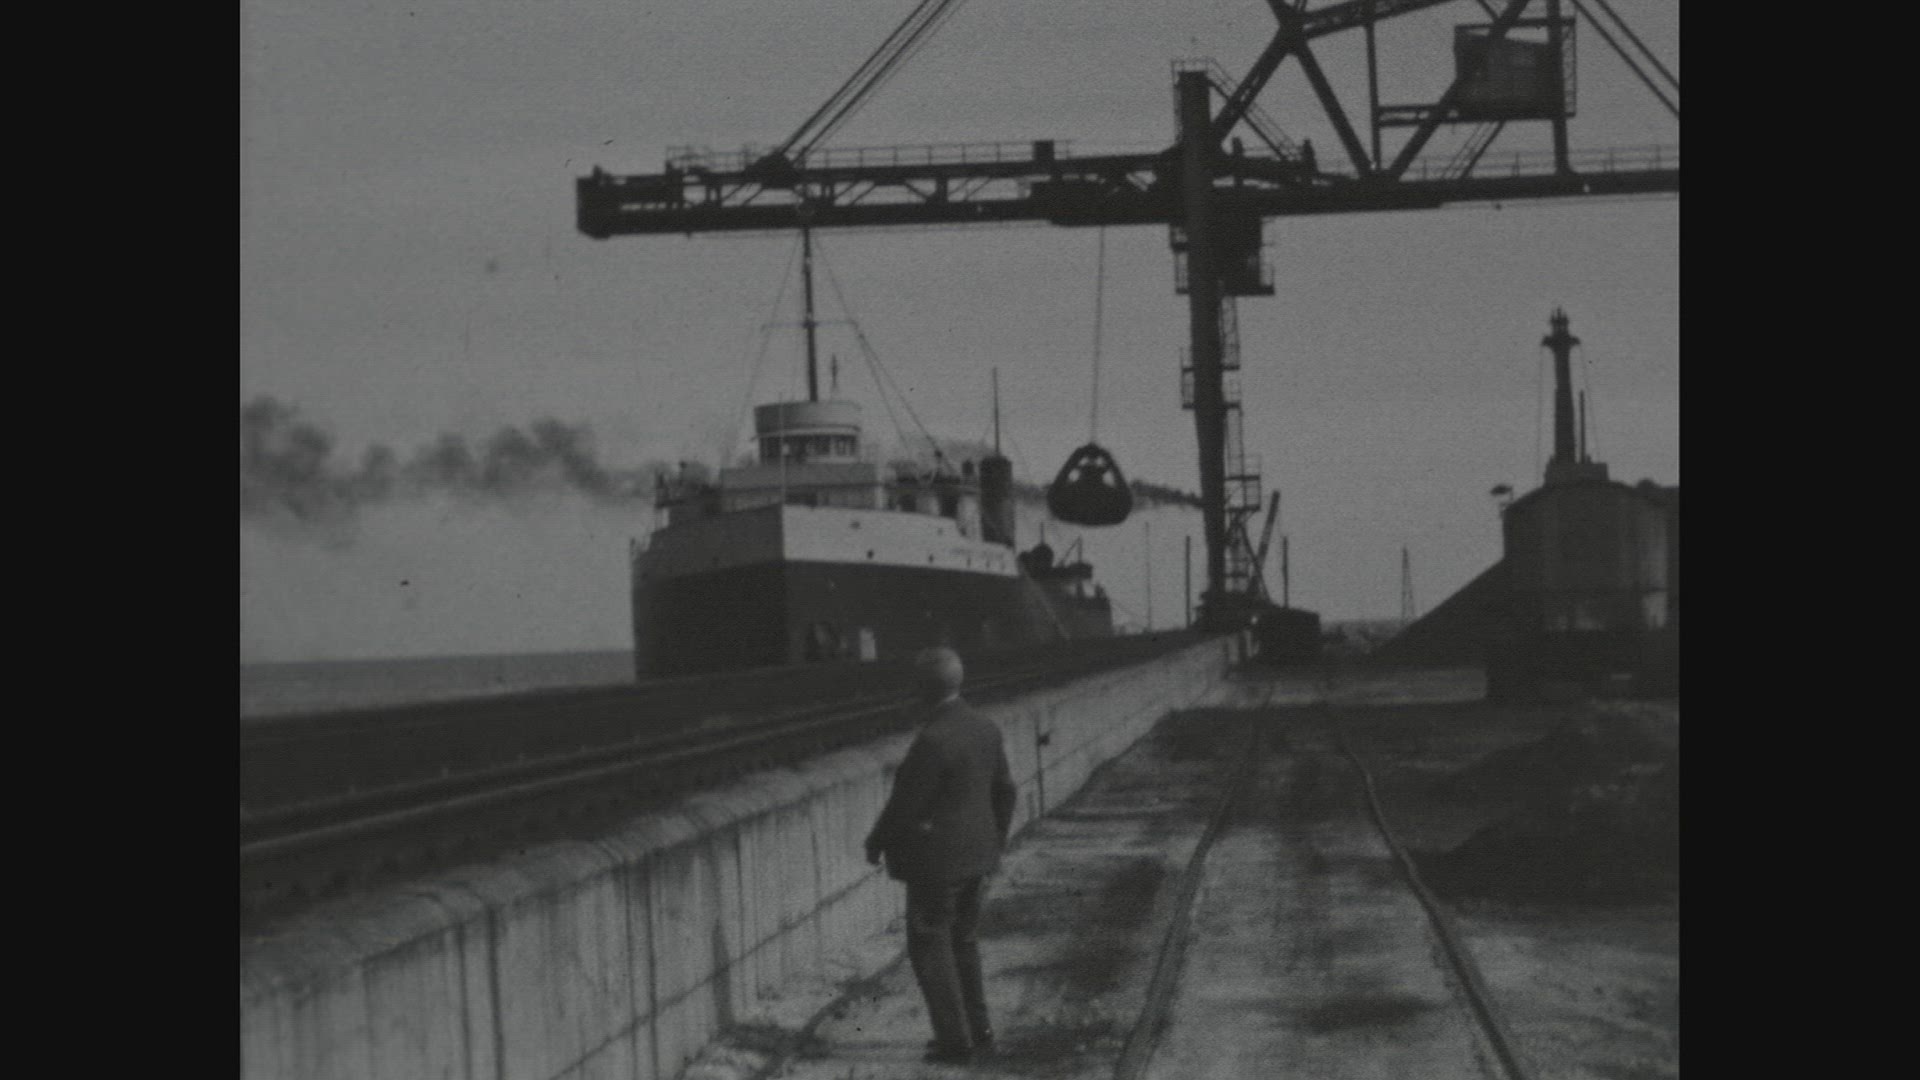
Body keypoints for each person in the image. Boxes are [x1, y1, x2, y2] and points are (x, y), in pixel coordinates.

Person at [865, 647, 1016, 1065]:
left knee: (931, 945)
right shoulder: (986, 728)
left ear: (923, 690)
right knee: (963, 941)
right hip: (978, 859)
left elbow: (904, 807)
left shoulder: (932, 741)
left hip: (937, 865)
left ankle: (955, 1042)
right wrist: (996, 842)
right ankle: (979, 1030)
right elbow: (1006, 791)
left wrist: (875, 842)